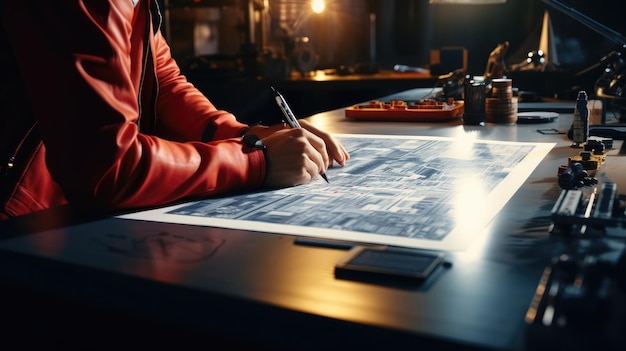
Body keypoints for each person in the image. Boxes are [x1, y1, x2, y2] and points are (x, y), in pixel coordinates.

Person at [0, 0, 349, 220]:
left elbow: (162, 78)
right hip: (23, 228)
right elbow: (110, 167)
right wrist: (255, 161)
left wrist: (246, 136)